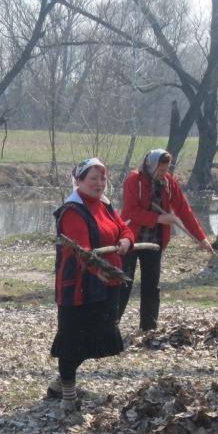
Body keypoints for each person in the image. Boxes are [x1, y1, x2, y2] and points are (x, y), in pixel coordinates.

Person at [49, 158, 135, 414]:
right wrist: (99, 271)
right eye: (93, 179)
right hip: (79, 286)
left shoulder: (106, 205)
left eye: (103, 178)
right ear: (78, 181)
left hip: (107, 283)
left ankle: (59, 383)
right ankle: (67, 395)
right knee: (73, 339)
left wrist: (126, 242)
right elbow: (81, 251)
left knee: (100, 335)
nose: (99, 184)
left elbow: (125, 230)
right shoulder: (72, 211)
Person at [118, 149, 212, 332]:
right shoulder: (133, 180)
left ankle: (148, 329)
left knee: (151, 286)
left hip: (154, 242)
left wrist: (201, 238)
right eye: (160, 170)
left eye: (166, 169)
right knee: (124, 283)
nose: (164, 174)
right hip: (130, 239)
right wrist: (160, 219)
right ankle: (111, 327)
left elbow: (184, 211)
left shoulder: (169, 183)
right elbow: (130, 212)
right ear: (151, 166)